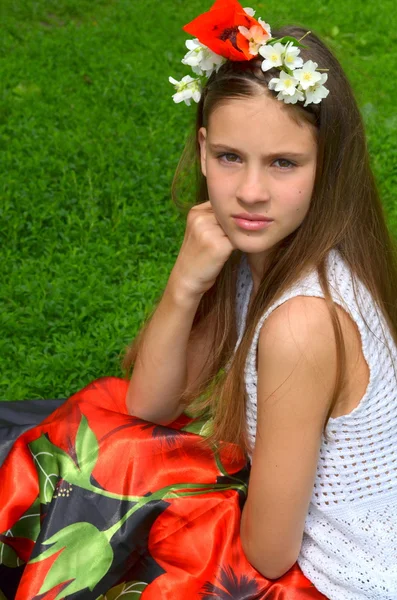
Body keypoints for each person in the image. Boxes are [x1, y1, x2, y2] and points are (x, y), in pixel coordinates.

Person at [1, 0, 396, 598]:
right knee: (106, 431)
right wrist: (187, 280)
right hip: (287, 540)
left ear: (327, 168)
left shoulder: (303, 321)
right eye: (230, 158)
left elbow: (267, 553)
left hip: (328, 579)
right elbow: (151, 404)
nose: (251, 192)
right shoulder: (262, 251)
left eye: (284, 163)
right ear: (204, 146)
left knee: (108, 497)